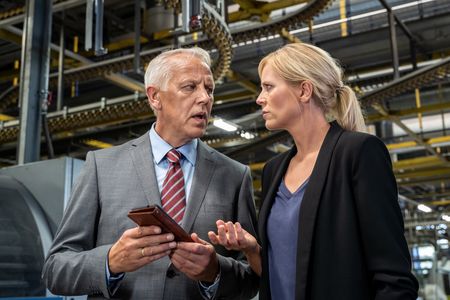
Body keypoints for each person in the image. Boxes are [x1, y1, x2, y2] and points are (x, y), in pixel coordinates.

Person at [42, 47, 259, 299]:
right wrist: (110, 262)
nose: (205, 98)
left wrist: (215, 271)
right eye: (190, 87)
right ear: (155, 97)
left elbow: (253, 278)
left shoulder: (234, 175)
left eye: (209, 89)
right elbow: (55, 270)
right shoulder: (102, 166)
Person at [208, 43, 419, 299]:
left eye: (269, 87)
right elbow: (281, 274)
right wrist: (253, 250)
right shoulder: (274, 170)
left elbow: (393, 276)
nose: (259, 98)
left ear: (304, 90)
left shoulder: (358, 153)